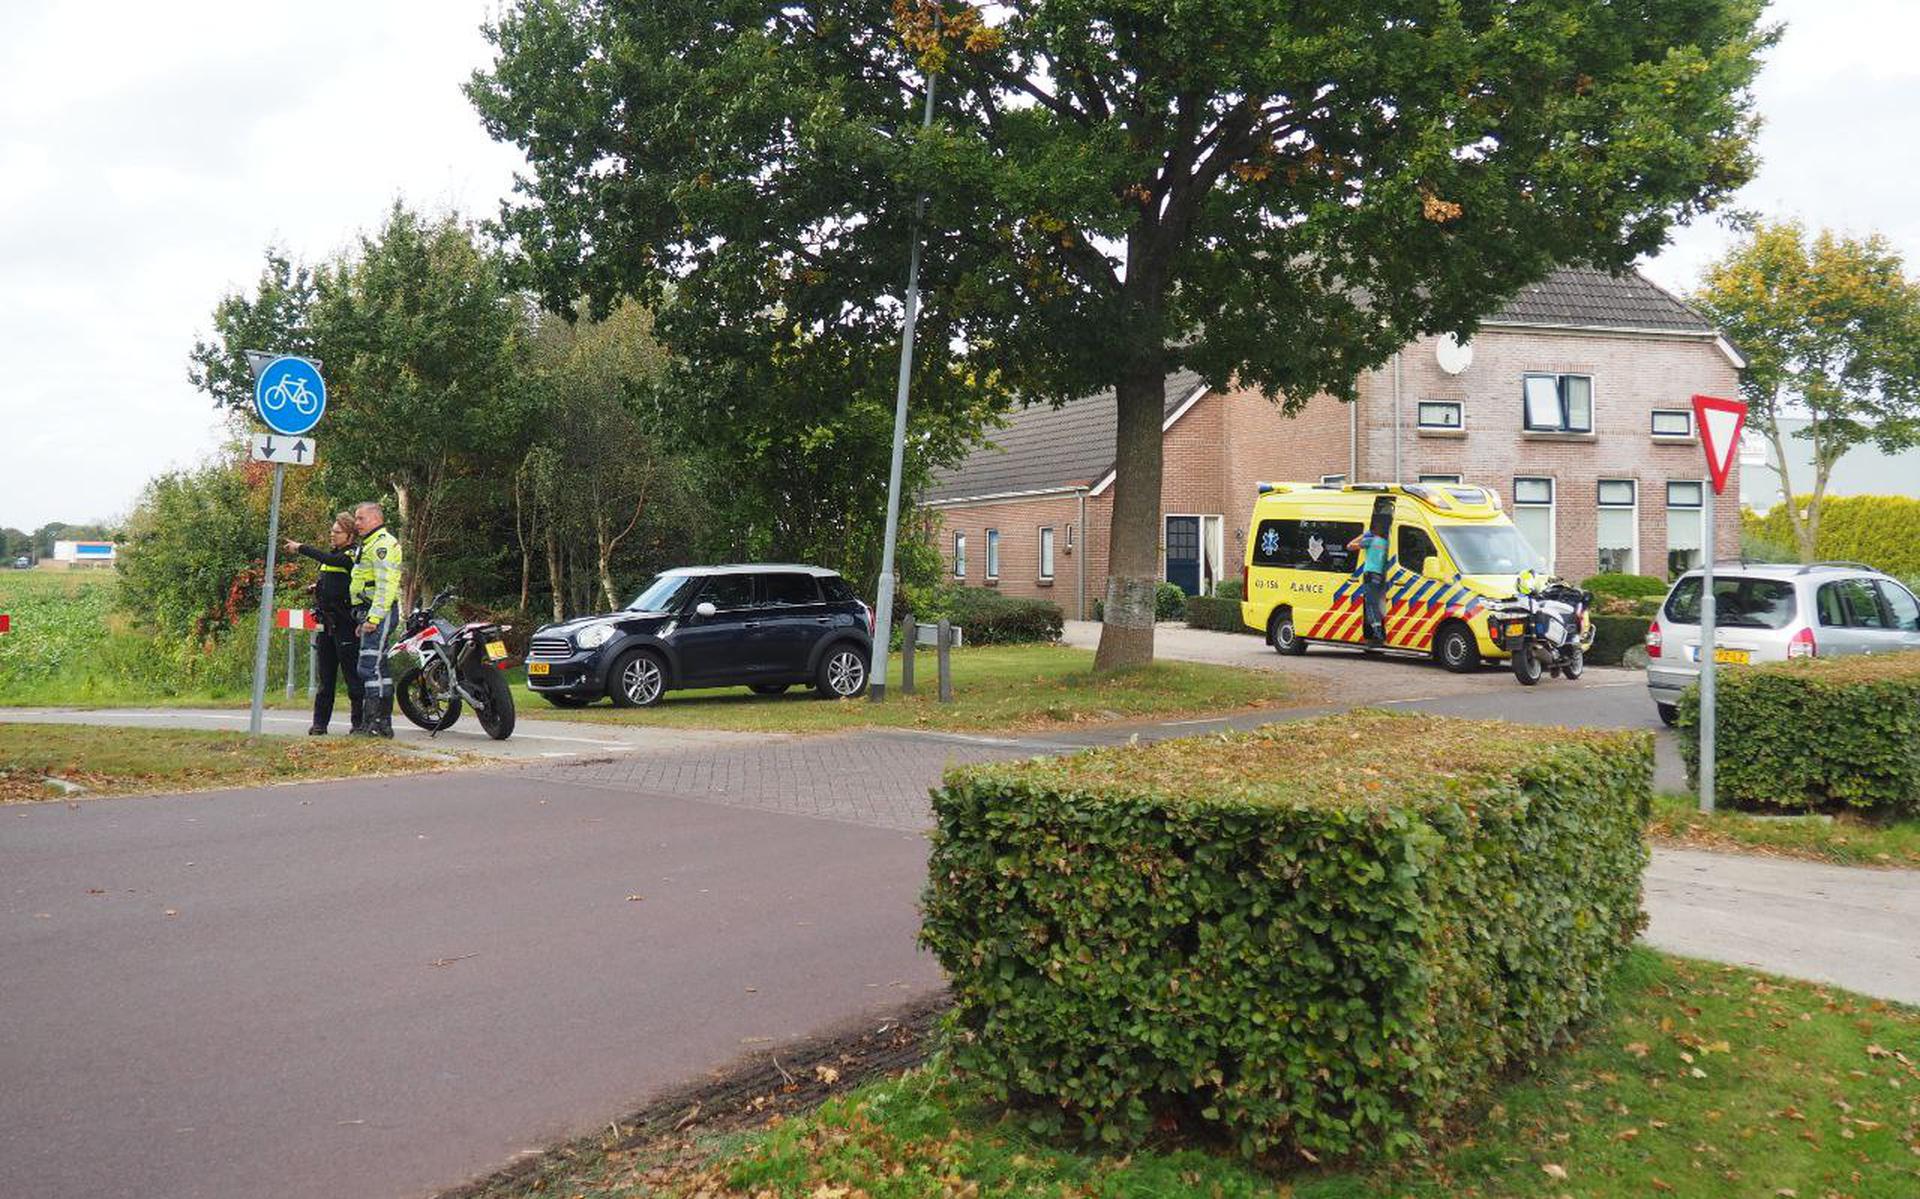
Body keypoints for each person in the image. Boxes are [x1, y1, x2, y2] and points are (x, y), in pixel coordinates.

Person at [284, 513, 364, 735]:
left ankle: (358, 724)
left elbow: (333, 563)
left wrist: (301, 548)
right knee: (325, 679)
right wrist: (317, 586)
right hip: (327, 626)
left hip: (346, 625)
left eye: (337, 532)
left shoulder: (350, 555)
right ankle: (320, 724)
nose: (332, 535)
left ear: (349, 535)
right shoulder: (334, 555)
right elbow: (330, 576)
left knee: (353, 679)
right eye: (332, 531)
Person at [349, 501, 404, 738]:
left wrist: (373, 618)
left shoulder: (382, 545)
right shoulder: (370, 543)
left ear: (374, 519)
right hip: (369, 613)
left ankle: (372, 723)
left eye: (360, 518)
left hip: (378, 613)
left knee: (368, 668)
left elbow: (386, 585)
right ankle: (382, 725)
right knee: (379, 667)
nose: (356, 523)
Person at [1346, 525, 1391, 647]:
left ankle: (1377, 635)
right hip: (1381, 576)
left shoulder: (1370, 541)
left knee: (1370, 605)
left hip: (1370, 575)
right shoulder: (1386, 543)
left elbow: (1349, 546)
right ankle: (1382, 631)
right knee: (1379, 603)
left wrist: (1363, 535)